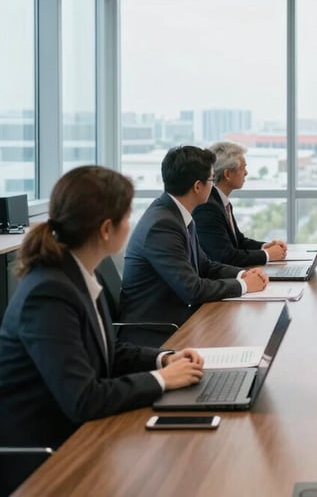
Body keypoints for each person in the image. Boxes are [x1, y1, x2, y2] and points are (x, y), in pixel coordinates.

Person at [0, 166, 205, 495]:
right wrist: (162, 381)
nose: (131, 224)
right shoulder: (49, 293)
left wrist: (163, 360)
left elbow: (106, 350)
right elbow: (84, 399)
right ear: (107, 229)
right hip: (48, 461)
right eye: (127, 216)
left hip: (81, 435)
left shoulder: (75, 274)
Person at [120, 146, 269, 346]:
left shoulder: (176, 214)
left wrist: (243, 275)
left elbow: (205, 266)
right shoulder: (162, 225)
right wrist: (244, 286)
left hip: (179, 319)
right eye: (210, 180)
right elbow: (192, 289)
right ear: (197, 186)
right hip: (157, 332)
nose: (213, 186)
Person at [193, 141, 287, 267]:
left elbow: (239, 241)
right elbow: (225, 256)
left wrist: (265, 246)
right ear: (227, 174)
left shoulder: (221, 201)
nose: (246, 173)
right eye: (243, 168)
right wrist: (268, 254)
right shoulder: (208, 208)